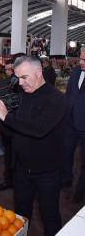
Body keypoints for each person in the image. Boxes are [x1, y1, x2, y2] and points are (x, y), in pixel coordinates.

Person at [0, 56, 68, 236]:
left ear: (38, 72)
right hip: (22, 169)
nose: (20, 82)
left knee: (49, 215)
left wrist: (7, 117)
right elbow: (11, 131)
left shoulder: (56, 99)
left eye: (24, 77)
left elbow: (39, 129)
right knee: (21, 214)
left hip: (47, 171)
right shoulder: (22, 96)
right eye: (17, 78)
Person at [62, 49, 85, 203]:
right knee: (66, 153)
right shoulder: (76, 71)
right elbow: (70, 93)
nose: (80, 62)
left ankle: (81, 189)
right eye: (80, 58)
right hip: (70, 122)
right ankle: (66, 180)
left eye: (84, 60)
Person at [0, 59, 14, 191]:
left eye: (11, 69)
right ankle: (9, 178)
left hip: (17, 125)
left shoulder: (20, 84)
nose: (8, 72)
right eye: (6, 69)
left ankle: (13, 178)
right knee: (8, 153)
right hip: (5, 125)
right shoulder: (3, 83)